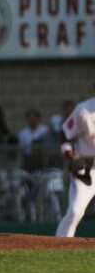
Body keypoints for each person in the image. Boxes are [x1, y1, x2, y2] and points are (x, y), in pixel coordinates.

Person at [56, 97, 95, 237]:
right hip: (86, 167)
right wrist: (69, 153)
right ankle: (58, 249)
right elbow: (64, 133)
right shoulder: (83, 110)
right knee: (75, 211)